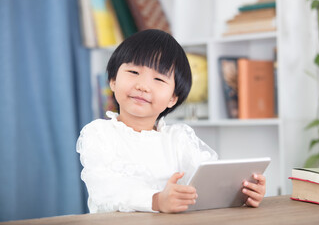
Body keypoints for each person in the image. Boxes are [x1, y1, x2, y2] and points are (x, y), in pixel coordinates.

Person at [76, 29, 266, 214]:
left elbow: (208, 180)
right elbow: (105, 190)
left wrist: (242, 192)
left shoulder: (179, 138)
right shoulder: (99, 133)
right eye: (134, 72)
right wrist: (157, 200)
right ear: (113, 80)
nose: (142, 86)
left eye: (159, 78)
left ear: (173, 98)